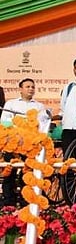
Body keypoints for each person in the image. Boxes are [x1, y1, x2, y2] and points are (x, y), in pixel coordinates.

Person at [0, 79, 46, 207]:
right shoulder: (11, 104)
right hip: (13, 143)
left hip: (30, 146)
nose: (31, 89)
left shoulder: (39, 107)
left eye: (32, 87)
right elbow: (4, 122)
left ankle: (26, 201)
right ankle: (8, 203)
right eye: (27, 86)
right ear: (20, 89)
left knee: (28, 173)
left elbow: (42, 125)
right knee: (9, 172)